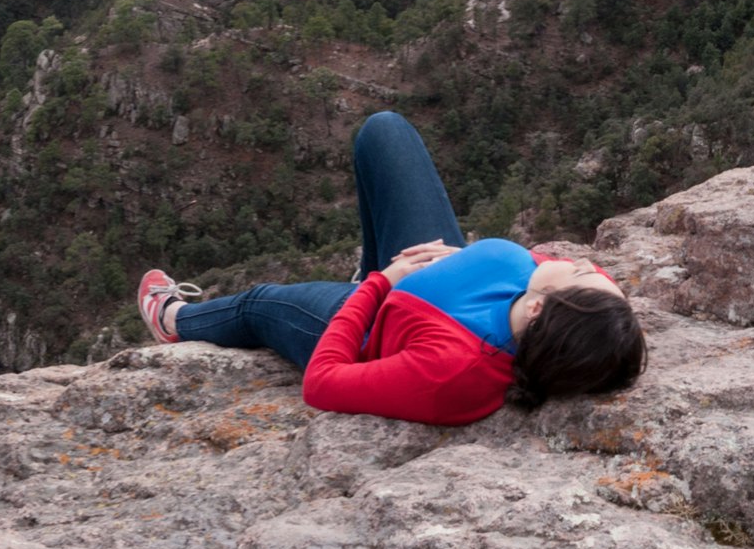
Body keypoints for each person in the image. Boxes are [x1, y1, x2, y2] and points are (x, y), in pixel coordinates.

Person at [133, 110, 644, 424]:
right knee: (385, 132)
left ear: (535, 311)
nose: (583, 263)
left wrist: (379, 285)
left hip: (370, 320)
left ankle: (177, 320)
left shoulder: (453, 370)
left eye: (581, 274)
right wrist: (462, 263)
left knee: (259, 302)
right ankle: (371, 264)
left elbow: (323, 384)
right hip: (424, 274)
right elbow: (588, 294)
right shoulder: (574, 318)